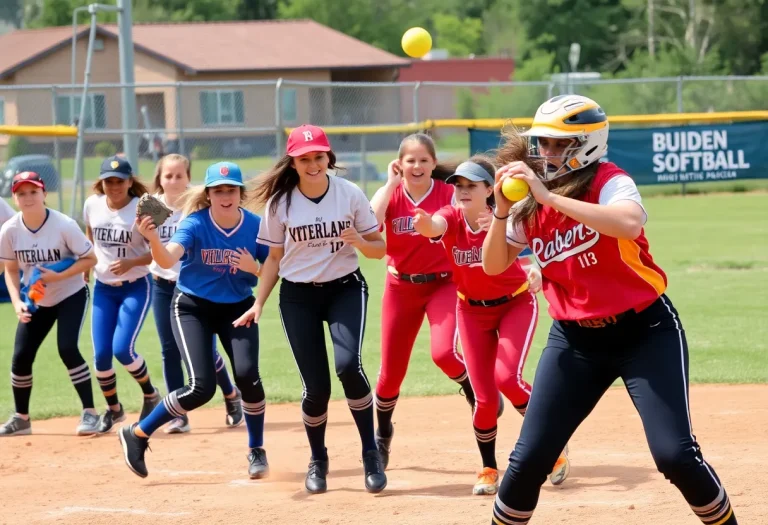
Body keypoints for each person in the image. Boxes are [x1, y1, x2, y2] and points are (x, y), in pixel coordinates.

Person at [482, 95, 738, 525]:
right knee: (528, 461)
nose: (547, 153)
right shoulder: (527, 203)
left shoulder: (609, 180)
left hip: (644, 331)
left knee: (675, 455)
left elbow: (628, 222)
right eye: (543, 144)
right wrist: (502, 211)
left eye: (559, 144)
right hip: (574, 342)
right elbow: (493, 266)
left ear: (587, 143)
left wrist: (549, 197)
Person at [242, 124, 387, 495]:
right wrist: (259, 302)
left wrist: (359, 240)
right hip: (298, 296)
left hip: (345, 288)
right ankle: (318, 458)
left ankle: (371, 453)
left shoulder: (349, 193)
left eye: (318, 156)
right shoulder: (281, 203)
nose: (313, 164)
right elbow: (274, 258)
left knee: (348, 367)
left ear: (328, 158)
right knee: (317, 388)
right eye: (304, 158)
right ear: (293, 163)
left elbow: (379, 248)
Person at [411, 157, 569, 496]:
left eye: (471, 185)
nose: (463, 191)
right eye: (458, 185)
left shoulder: (505, 218)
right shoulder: (452, 217)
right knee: (483, 399)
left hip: (515, 303)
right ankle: (488, 467)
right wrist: (425, 225)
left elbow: (534, 250)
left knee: (507, 378)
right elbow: (435, 226)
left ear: (489, 190)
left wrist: (536, 269)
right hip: (471, 312)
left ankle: (553, 446)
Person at [118, 161, 270, 480]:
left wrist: (252, 269)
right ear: (209, 194)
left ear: (240, 193)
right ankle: (138, 434)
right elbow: (168, 258)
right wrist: (153, 240)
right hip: (192, 307)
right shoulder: (195, 223)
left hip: (237, 308)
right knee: (201, 388)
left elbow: (272, 268)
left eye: (231, 190)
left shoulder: (255, 225)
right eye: (218, 190)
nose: (225, 196)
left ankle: (256, 450)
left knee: (248, 378)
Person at [369, 134, 494, 470]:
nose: (417, 166)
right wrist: (389, 183)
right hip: (401, 287)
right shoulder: (392, 194)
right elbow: (369, 222)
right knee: (390, 375)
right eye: (410, 160)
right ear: (400, 164)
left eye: (424, 160)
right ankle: (382, 436)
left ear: (434, 164)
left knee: (443, 352)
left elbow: (478, 208)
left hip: (443, 283)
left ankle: (473, 389)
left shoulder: (446, 192)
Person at [149, 154, 243, 434]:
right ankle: (178, 415)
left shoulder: (197, 207)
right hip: (161, 284)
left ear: (190, 179)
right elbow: (140, 240)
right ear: (160, 178)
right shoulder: (153, 205)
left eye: (180, 175)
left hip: (194, 288)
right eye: (168, 175)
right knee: (169, 349)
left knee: (207, 352)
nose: (174, 180)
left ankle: (230, 394)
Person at [0, 172, 99, 436]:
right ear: (15, 198)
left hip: (71, 293)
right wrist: (16, 302)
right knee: (21, 356)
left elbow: (90, 259)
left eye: (33, 191)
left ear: (44, 194)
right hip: (36, 300)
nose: (28, 197)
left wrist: (60, 275)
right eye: (22, 193)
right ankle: (22, 419)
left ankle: (90, 413)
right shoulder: (9, 230)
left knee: (67, 348)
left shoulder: (64, 224)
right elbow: (10, 269)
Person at [84, 156, 160, 433]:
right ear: (101, 183)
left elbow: (162, 252)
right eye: (108, 181)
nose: (114, 186)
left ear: (130, 182)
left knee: (122, 349)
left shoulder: (146, 208)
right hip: (103, 287)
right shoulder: (92, 204)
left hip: (136, 286)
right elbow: (90, 234)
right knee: (102, 355)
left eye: (119, 181)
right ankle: (114, 409)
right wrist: (87, 264)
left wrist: (131, 262)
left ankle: (151, 394)